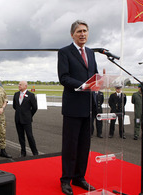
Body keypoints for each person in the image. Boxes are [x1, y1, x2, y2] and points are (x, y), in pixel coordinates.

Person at [58, 20, 97, 195]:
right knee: (70, 146)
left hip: (88, 107)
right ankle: (66, 179)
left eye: (85, 31)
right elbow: (64, 78)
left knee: (84, 146)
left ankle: (79, 177)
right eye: (79, 31)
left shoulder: (91, 53)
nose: (83, 34)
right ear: (72, 34)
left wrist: (99, 82)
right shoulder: (65, 52)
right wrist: (84, 85)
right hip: (73, 107)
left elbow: (94, 76)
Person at [13, 81, 38, 157]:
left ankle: (35, 153)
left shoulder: (31, 95)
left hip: (26, 119)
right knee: (21, 137)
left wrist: (29, 115)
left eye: (20, 84)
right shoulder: (16, 94)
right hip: (18, 119)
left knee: (30, 136)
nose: (19, 85)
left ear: (25, 86)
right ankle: (23, 152)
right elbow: (15, 106)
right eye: (19, 84)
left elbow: (34, 108)